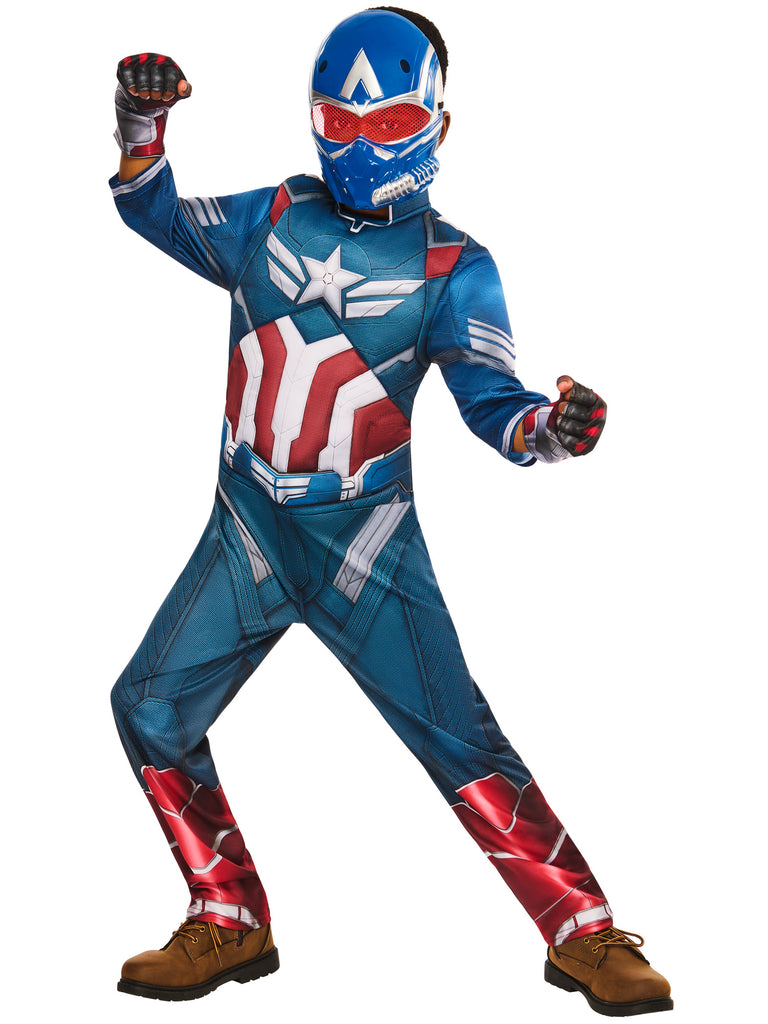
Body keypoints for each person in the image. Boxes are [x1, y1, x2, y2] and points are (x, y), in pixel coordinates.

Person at [109, 8, 672, 1015]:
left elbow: (494, 404)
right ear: (314, 118)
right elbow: (155, 213)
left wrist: (550, 428)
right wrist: (139, 123)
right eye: (341, 120)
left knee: (459, 737)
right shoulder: (272, 215)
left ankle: (583, 929)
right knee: (148, 705)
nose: (362, 143)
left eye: (391, 122)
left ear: (437, 126)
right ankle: (228, 912)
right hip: (248, 531)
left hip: (365, 546)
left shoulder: (454, 266)